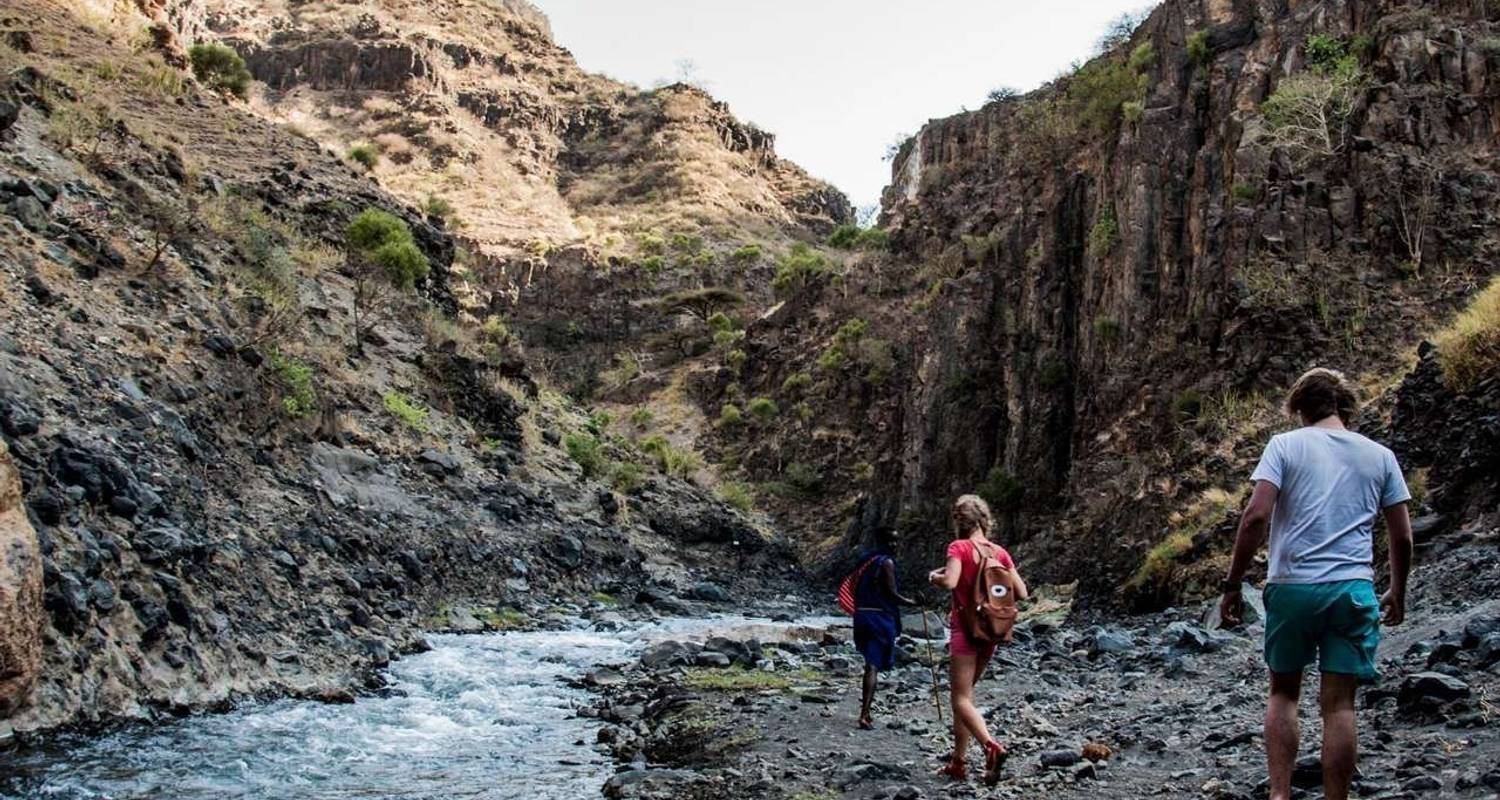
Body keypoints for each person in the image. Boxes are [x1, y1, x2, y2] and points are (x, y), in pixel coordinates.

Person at [1219, 368, 1413, 800]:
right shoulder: (1380, 456)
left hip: (1292, 588)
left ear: (1299, 407)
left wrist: (1233, 584)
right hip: (1353, 588)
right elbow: (1401, 534)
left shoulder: (1284, 447)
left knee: (1283, 692)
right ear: (1345, 405)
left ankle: (1280, 794)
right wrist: (1397, 590)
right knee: (1340, 704)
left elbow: (1255, 517)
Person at [928, 494, 1028, 785]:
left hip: (965, 629)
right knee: (966, 698)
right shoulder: (1000, 552)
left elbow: (950, 581)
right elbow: (1021, 592)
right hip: (991, 630)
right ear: (984, 520)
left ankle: (991, 747)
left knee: (959, 699)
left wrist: (934, 576)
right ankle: (958, 762)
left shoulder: (958, 547)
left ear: (960, 521)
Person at [851, 526, 915, 729]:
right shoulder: (886, 563)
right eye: (892, 542)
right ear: (884, 543)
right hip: (878, 618)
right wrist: (915, 603)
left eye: (896, 541)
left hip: (861, 615)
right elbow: (893, 595)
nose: (895, 546)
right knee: (873, 664)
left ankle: (866, 713)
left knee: (870, 662)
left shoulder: (865, 562)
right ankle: (864, 714)